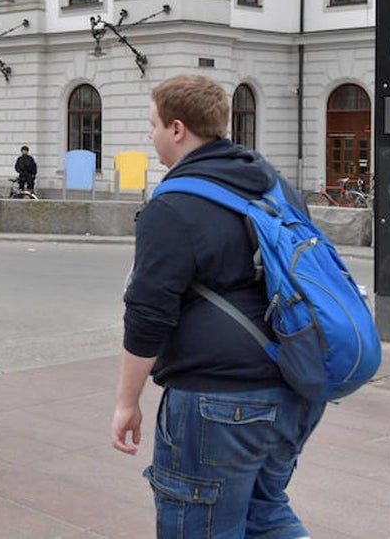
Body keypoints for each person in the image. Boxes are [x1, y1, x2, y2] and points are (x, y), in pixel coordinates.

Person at [110, 75, 325, 539]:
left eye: (153, 125)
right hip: (294, 388)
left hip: (217, 403)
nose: (150, 136)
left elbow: (148, 314)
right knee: (264, 514)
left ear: (178, 128)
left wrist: (127, 402)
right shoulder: (274, 184)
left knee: (199, 525)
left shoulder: (173, 205)